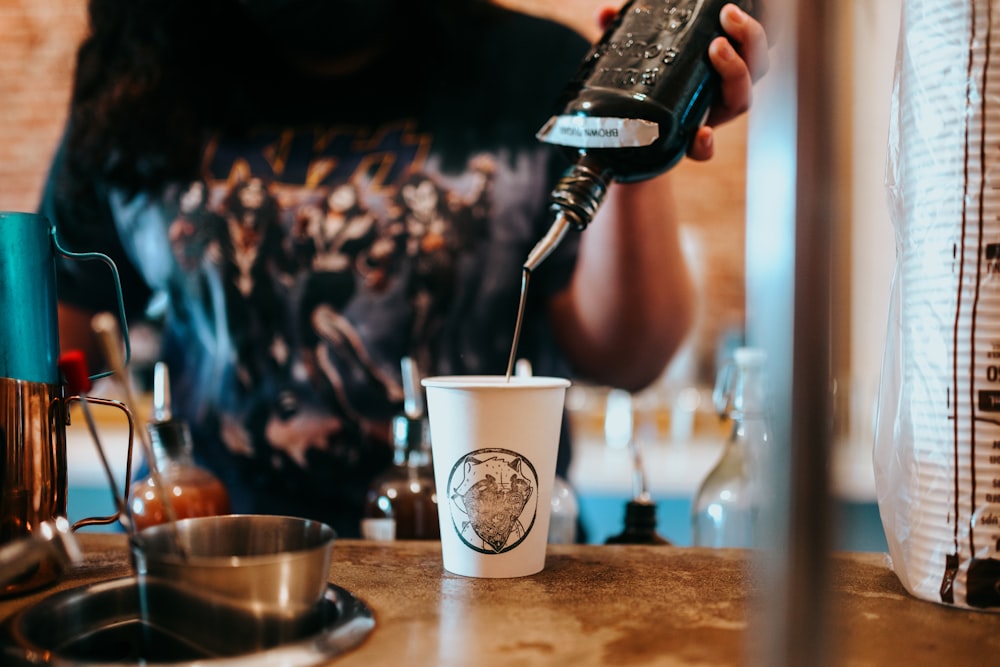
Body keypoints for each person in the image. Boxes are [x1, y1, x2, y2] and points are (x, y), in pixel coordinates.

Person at [44, 0, 769, 538]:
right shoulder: (143, 72)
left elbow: (628, 354)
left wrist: (639, 135)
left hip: (488, 571)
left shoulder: (534, 70)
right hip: (207, 576)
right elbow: (38, 351)